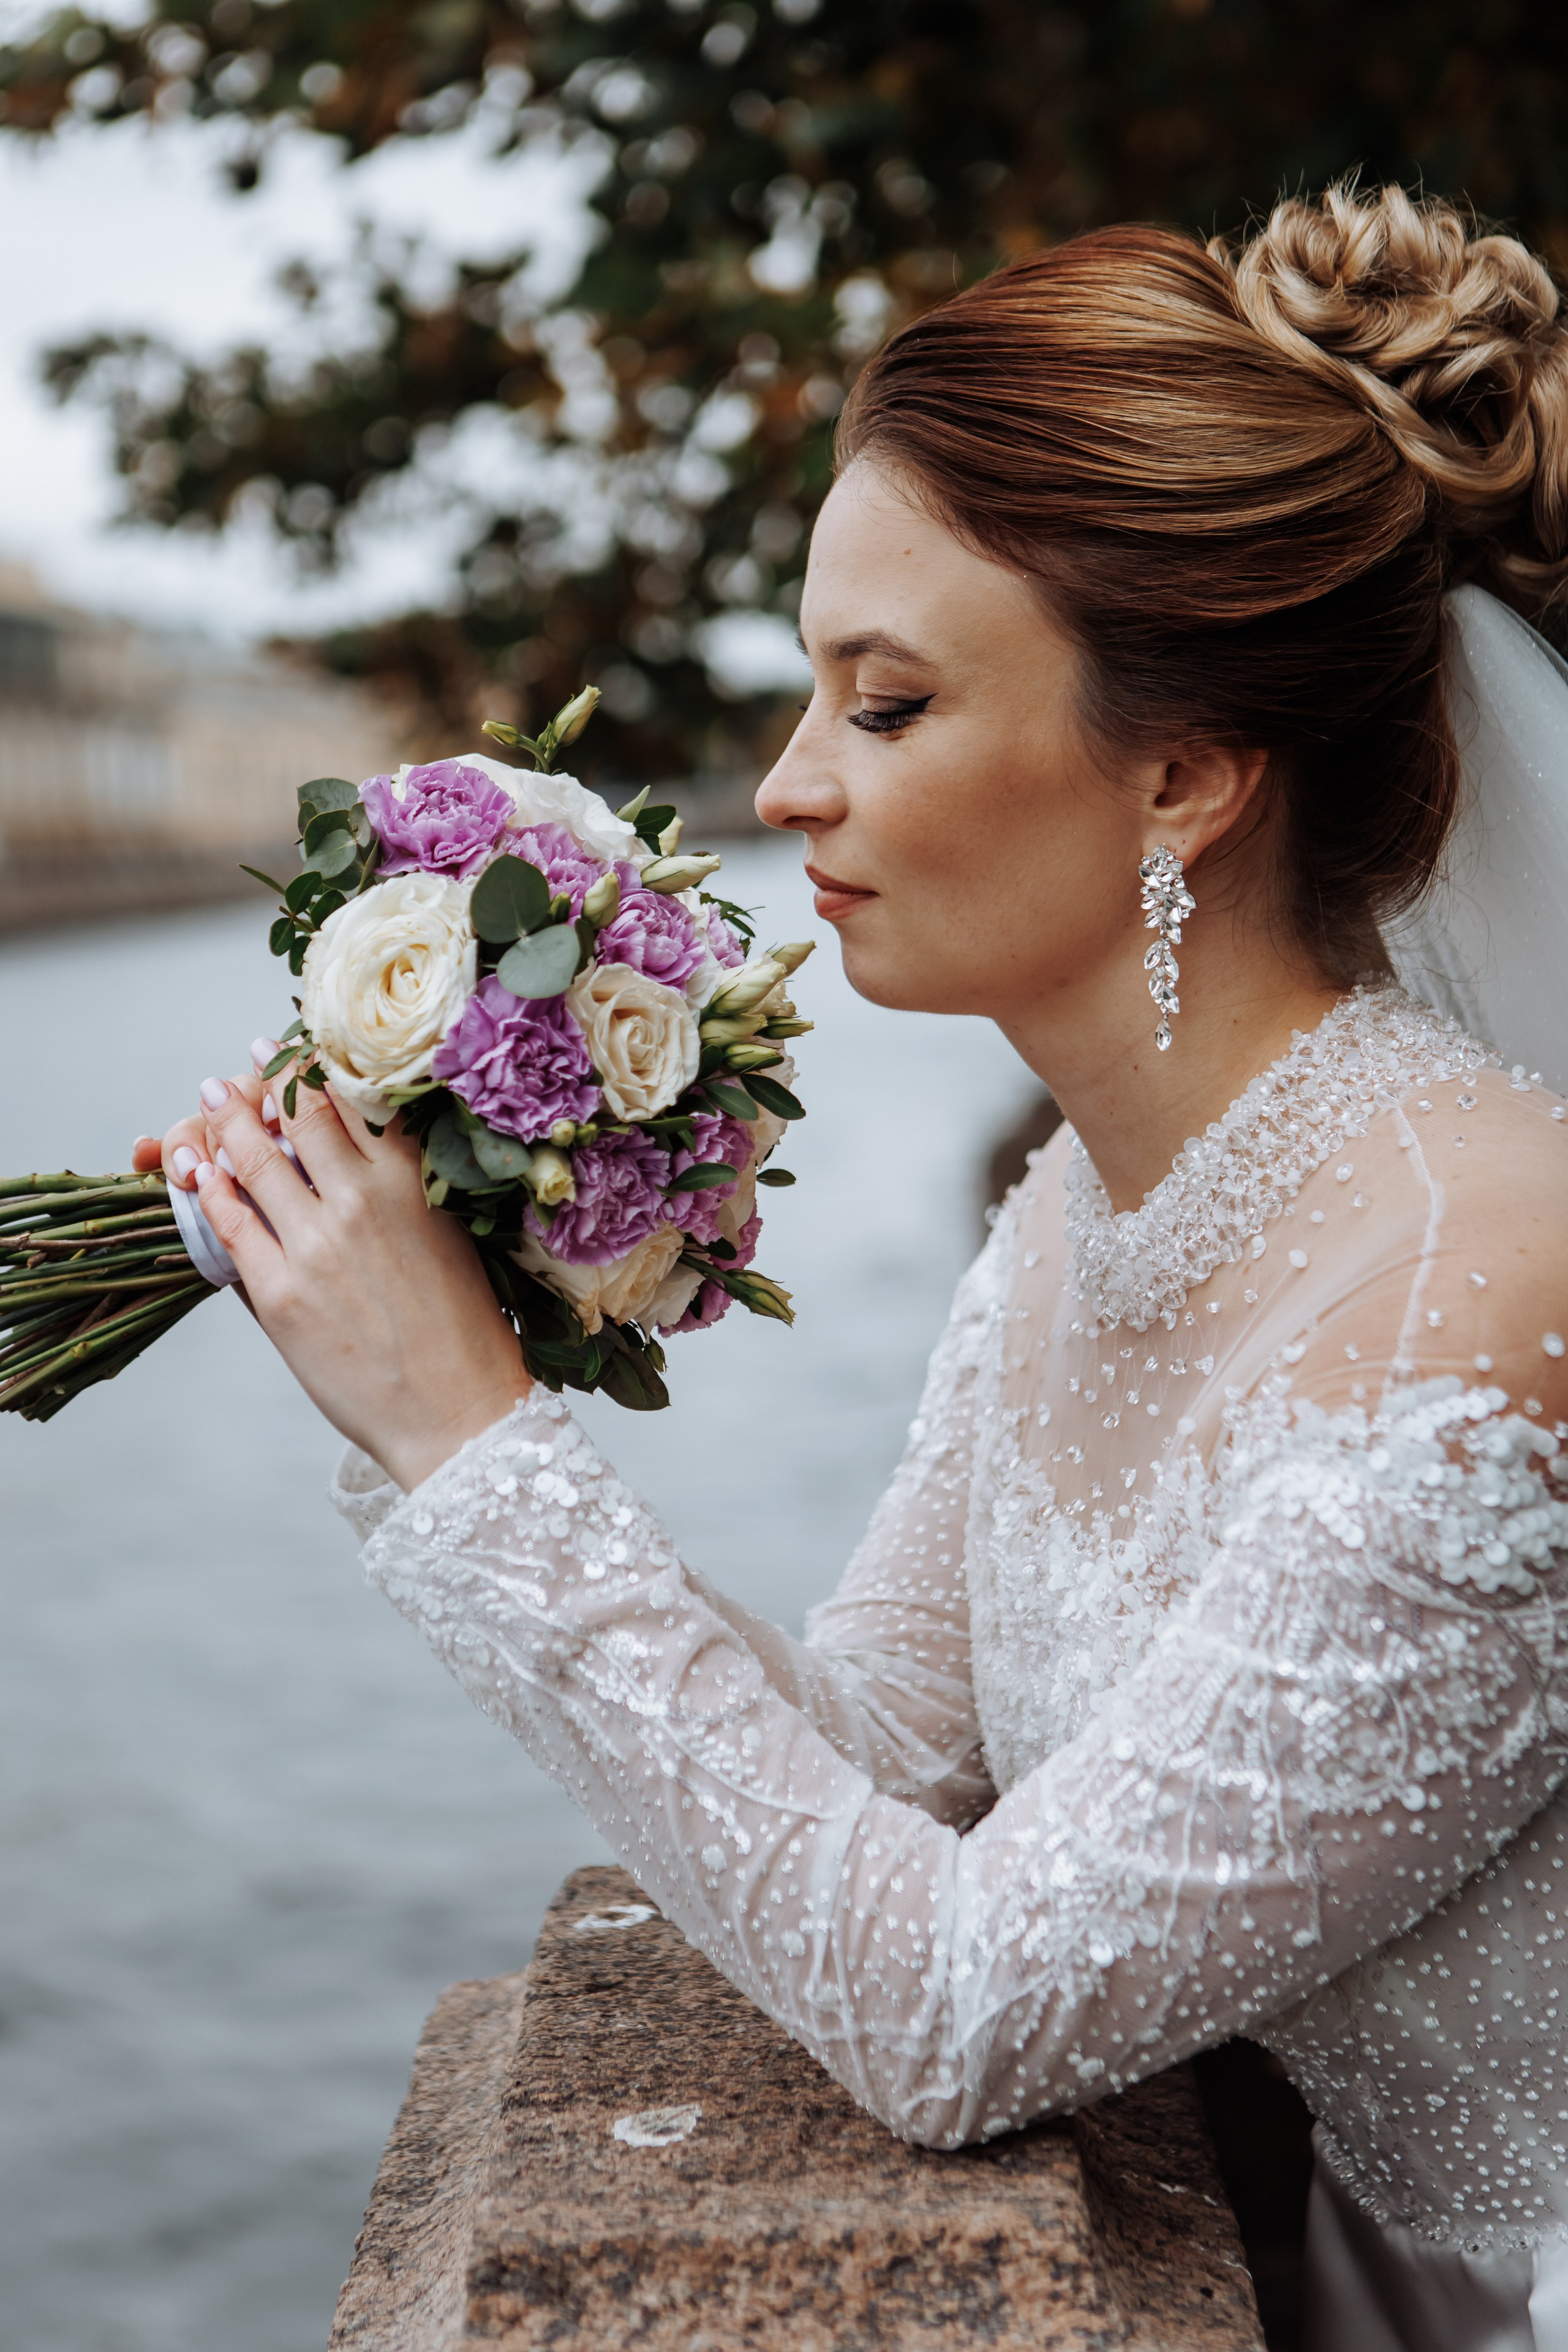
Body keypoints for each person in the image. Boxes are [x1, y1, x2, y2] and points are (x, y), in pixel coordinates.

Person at [138, 184, 1568, 2349]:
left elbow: (960, 2011)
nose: (791, 787)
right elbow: (886, 1766)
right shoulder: (1080, 1219)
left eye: (885, 706)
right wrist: (413, 1344)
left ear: (1181, 770)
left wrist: (474, 1439)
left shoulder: (1480, 1278)